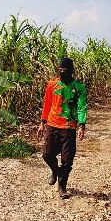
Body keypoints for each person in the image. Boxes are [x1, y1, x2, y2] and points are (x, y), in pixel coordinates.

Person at [37, 58, 88, 199]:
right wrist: (42, 122)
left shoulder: (79, 87)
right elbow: (47, 103)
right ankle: (55, 170)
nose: (62, 73)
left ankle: (62, 186)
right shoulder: (52, 85)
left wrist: (81, 125)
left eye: (65, 71)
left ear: (71, 71)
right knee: (47, 154)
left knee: (67, 159)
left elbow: (82, 106)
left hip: (69, 126)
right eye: (60, 70)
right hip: (52, 124)